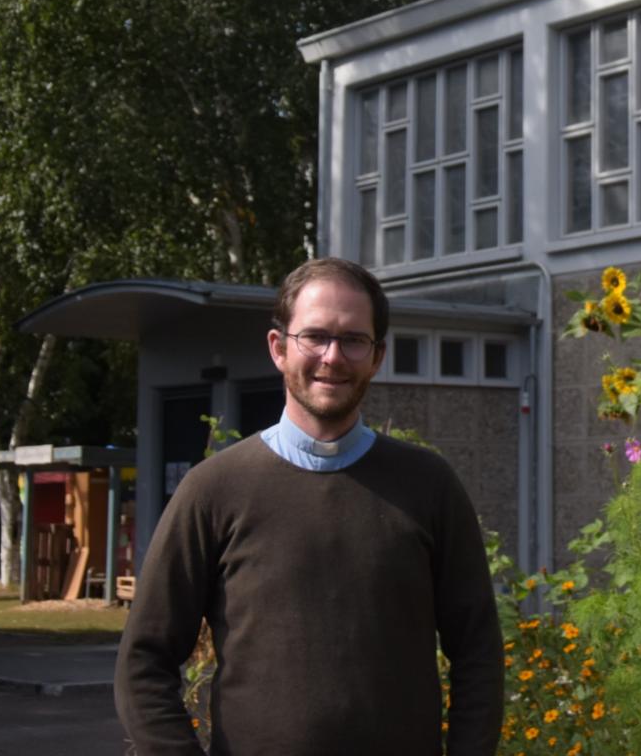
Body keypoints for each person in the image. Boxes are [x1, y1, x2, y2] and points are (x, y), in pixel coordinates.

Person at [116, 257, 502, 756]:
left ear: (377, 355)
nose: (332, 356)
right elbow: (144, 660)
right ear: (279, 348)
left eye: (353, 340)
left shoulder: (429, 486)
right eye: (314, 336)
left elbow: (478, 653)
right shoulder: (214, 489)